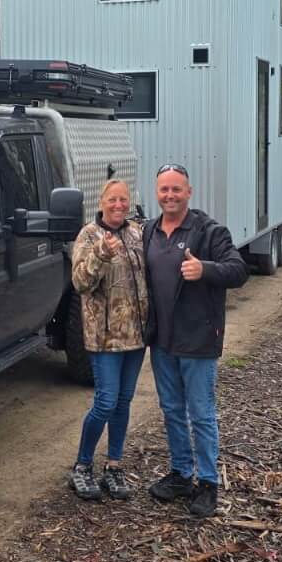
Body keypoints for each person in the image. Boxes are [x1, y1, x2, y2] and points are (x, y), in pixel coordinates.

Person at [144, 164, 249, 518]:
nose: (170, 196)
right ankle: (180, 473)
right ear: (156, 193)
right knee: (172, 410)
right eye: (164, 190)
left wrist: (205, 269)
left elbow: (238, 271)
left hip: (198, 339)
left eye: (176, 189)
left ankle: (207, 483)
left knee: (201, 414)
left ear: (189, 192)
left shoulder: (209, 231)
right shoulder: (150, 232)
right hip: (162, 341)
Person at [69, 178, 149, 501]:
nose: (118, 205)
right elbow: (80, 283)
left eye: (123, 199)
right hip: (105, 339)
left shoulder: (137, 234)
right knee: (105, 401)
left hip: (136, 337)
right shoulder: (88, 236)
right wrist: (101, 254)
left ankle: (113, 466)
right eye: (112, 199)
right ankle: (82, 466)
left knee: (123, 403)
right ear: (101, 202)